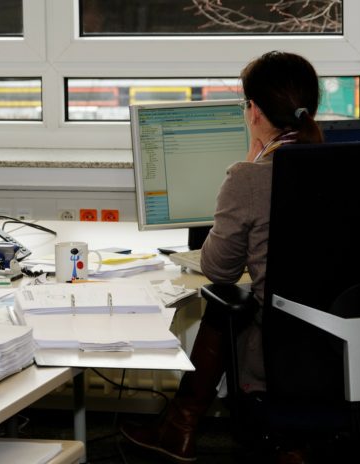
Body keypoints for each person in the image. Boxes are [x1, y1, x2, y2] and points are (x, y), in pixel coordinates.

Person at [120, 50, 323, 463]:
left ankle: (180, 426)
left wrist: (248, 165)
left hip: (282, 353)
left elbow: (218, 269)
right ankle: (181, 427)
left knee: (227, 307)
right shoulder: (344, 166)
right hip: (344, 342)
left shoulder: (250, 177)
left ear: (253, 111)